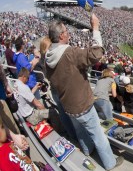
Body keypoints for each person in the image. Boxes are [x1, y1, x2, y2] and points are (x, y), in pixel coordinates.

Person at [45, 14, 123, 170]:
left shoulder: (48, 56)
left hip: (68, 104)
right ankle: (110, 163)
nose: (69, 33)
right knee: (98, 135)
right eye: (66, 31)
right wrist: (95, 28)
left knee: (81, 131)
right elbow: (96, 53)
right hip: (82, 104)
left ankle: (87, 151)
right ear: (61, 35)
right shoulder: (69, 53)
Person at [0, 63, 20, 134]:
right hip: (2, 100)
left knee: (9, 121)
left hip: (3, 98)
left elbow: (1, 74)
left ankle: (17, 135)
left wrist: (7, 86)